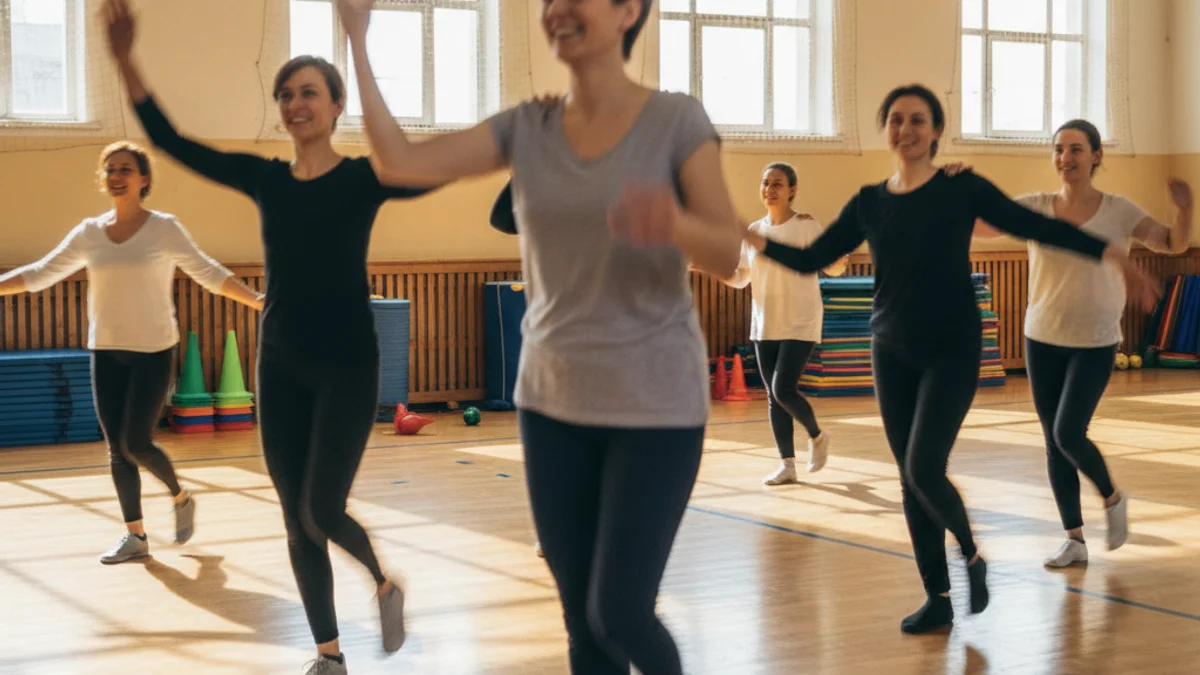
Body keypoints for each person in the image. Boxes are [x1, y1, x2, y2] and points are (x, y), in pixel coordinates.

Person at [337, 0, 742, 671]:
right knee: (583, 626)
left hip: (657, 405)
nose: (555, 9)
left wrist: (672, 220)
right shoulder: (527, 126)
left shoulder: (676, 120)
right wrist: (357, 35)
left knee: (619, 610)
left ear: (626, 11)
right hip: (552, 403)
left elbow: (729, 255)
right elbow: (399, 160)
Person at [739, 84, 1161, 635]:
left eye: (919, 120)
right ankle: (937, 597)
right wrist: (746, 236)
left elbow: (1037, 225)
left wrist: (1110, 253)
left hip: (953, 349)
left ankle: (970, 553)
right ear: (884, 129)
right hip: (890, 350)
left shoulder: (963, 189)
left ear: (936, 132)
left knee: (922, 467)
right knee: (908, 481)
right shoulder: (869, 201)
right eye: (896, 119)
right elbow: (813, 257)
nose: (906, 129)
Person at [104, 0, 433, 670]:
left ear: (336, 105)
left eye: (309, 91)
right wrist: (125, 61)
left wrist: (359, 41)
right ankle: (330, 653)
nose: (294, 103)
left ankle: (383, 580)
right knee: (294, 519)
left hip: (347, 366)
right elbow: (173, 143)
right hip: (279, 364)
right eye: (285, 94)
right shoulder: (266, 179)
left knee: (320, 508)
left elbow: (418, 163)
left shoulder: (364, 179)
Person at [0, 141, 263, 564]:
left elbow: (207, 271)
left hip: (154, 349)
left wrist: (254, 300)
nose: (116, 176)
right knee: (115, 447)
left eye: (125, 168)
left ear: (143, 179)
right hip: (105, 349)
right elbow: (40, 273)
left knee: (137, 441)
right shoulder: (89, 232)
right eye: (110, 169)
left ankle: (179, 495)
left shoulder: (164, 228)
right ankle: (136, 536)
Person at [974, 118, 1192, 568]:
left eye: (1075, 149)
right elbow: (982, 225)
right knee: (1053, 443)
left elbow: (1172, 244)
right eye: (1058, 149)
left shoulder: (1119, 210)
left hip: (1094, 340)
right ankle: (1073, 538)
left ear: (1096, 156)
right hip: (1042, 336)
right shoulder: (1035, 206)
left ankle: (1112, 499)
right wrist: (960, 186)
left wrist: (1184, 210)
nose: (1065, 158)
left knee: (1068, 431)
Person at [700, 162, 846, 485]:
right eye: (765, 183)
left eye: (778, 184)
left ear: (792, 190)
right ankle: (787, 464)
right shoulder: (754, 231)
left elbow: (831, 264)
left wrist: (838, 260)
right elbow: (740, 277)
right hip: (765, 322)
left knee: (783, 389)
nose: (770, 189)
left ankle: (817, 436)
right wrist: (710, 267)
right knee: (772, 395)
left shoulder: (807, 226)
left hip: (801, 319)